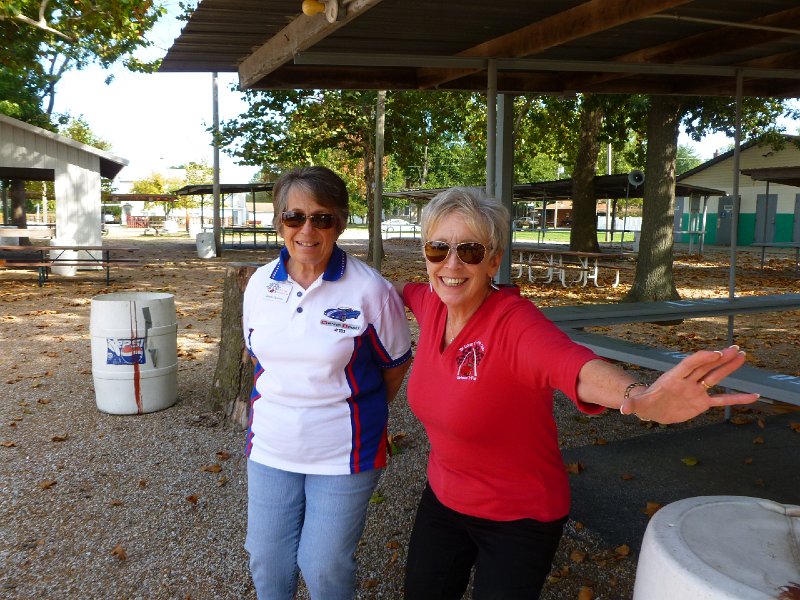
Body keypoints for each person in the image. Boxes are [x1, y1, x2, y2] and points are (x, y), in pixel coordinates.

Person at [395, 187, 759, 600]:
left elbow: (571, 365)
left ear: (494, 259)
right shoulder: (430, 303)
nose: (451, 264)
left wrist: (636, 395)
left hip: (519, 515)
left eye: (471, 251)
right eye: (438, 248)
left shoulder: (515, 325)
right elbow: (389, 291)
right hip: (444, 498)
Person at [242, 166, 412, 599]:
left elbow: (393, 366)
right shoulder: (259, 285)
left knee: (324, 567)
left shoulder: (371, 291)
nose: (307, 230)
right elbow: (257, 356)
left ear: (341, 221)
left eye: (323, 218)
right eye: (294, 217)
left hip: (344, 452)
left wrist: (356, 410)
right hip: (271, 446)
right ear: (279, 220)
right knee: (267, 560)